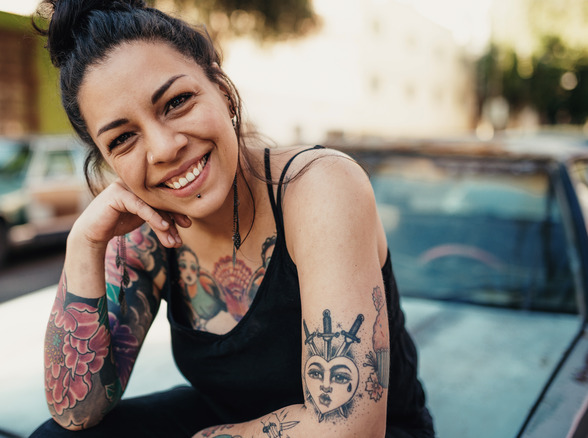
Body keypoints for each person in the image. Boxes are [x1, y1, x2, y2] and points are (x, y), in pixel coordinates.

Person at [30, 1, 434, 437]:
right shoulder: (143, 236)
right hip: (228, 417)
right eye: (124, 138)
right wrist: (84, 244)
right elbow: (76, 411)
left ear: (221, 89)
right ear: (107, 160)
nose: (163, 148)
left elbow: (349, 427)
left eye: (177, 102)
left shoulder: (318, 187)